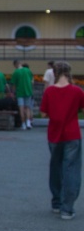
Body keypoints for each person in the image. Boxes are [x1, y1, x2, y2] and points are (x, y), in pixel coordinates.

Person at [39, 61, 84, 220]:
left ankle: (56, 202)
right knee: (71, 170)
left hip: (54, 134)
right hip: (72, 134)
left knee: (56, 167)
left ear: (54, 73)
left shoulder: (49, 91)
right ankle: (67, 208)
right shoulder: (77, 91)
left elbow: (43, 114)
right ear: (69, 73)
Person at [11, 59, 34, 130]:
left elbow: (14, 84)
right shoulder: (28, 70)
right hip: (28, 91)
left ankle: (23, 124)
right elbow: (31, 81)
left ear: (15, 64)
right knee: (27, 108)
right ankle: (28, 123)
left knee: (21, 108)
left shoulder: (16, 72)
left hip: (20, 92)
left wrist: (12, 93)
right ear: (20, 63)